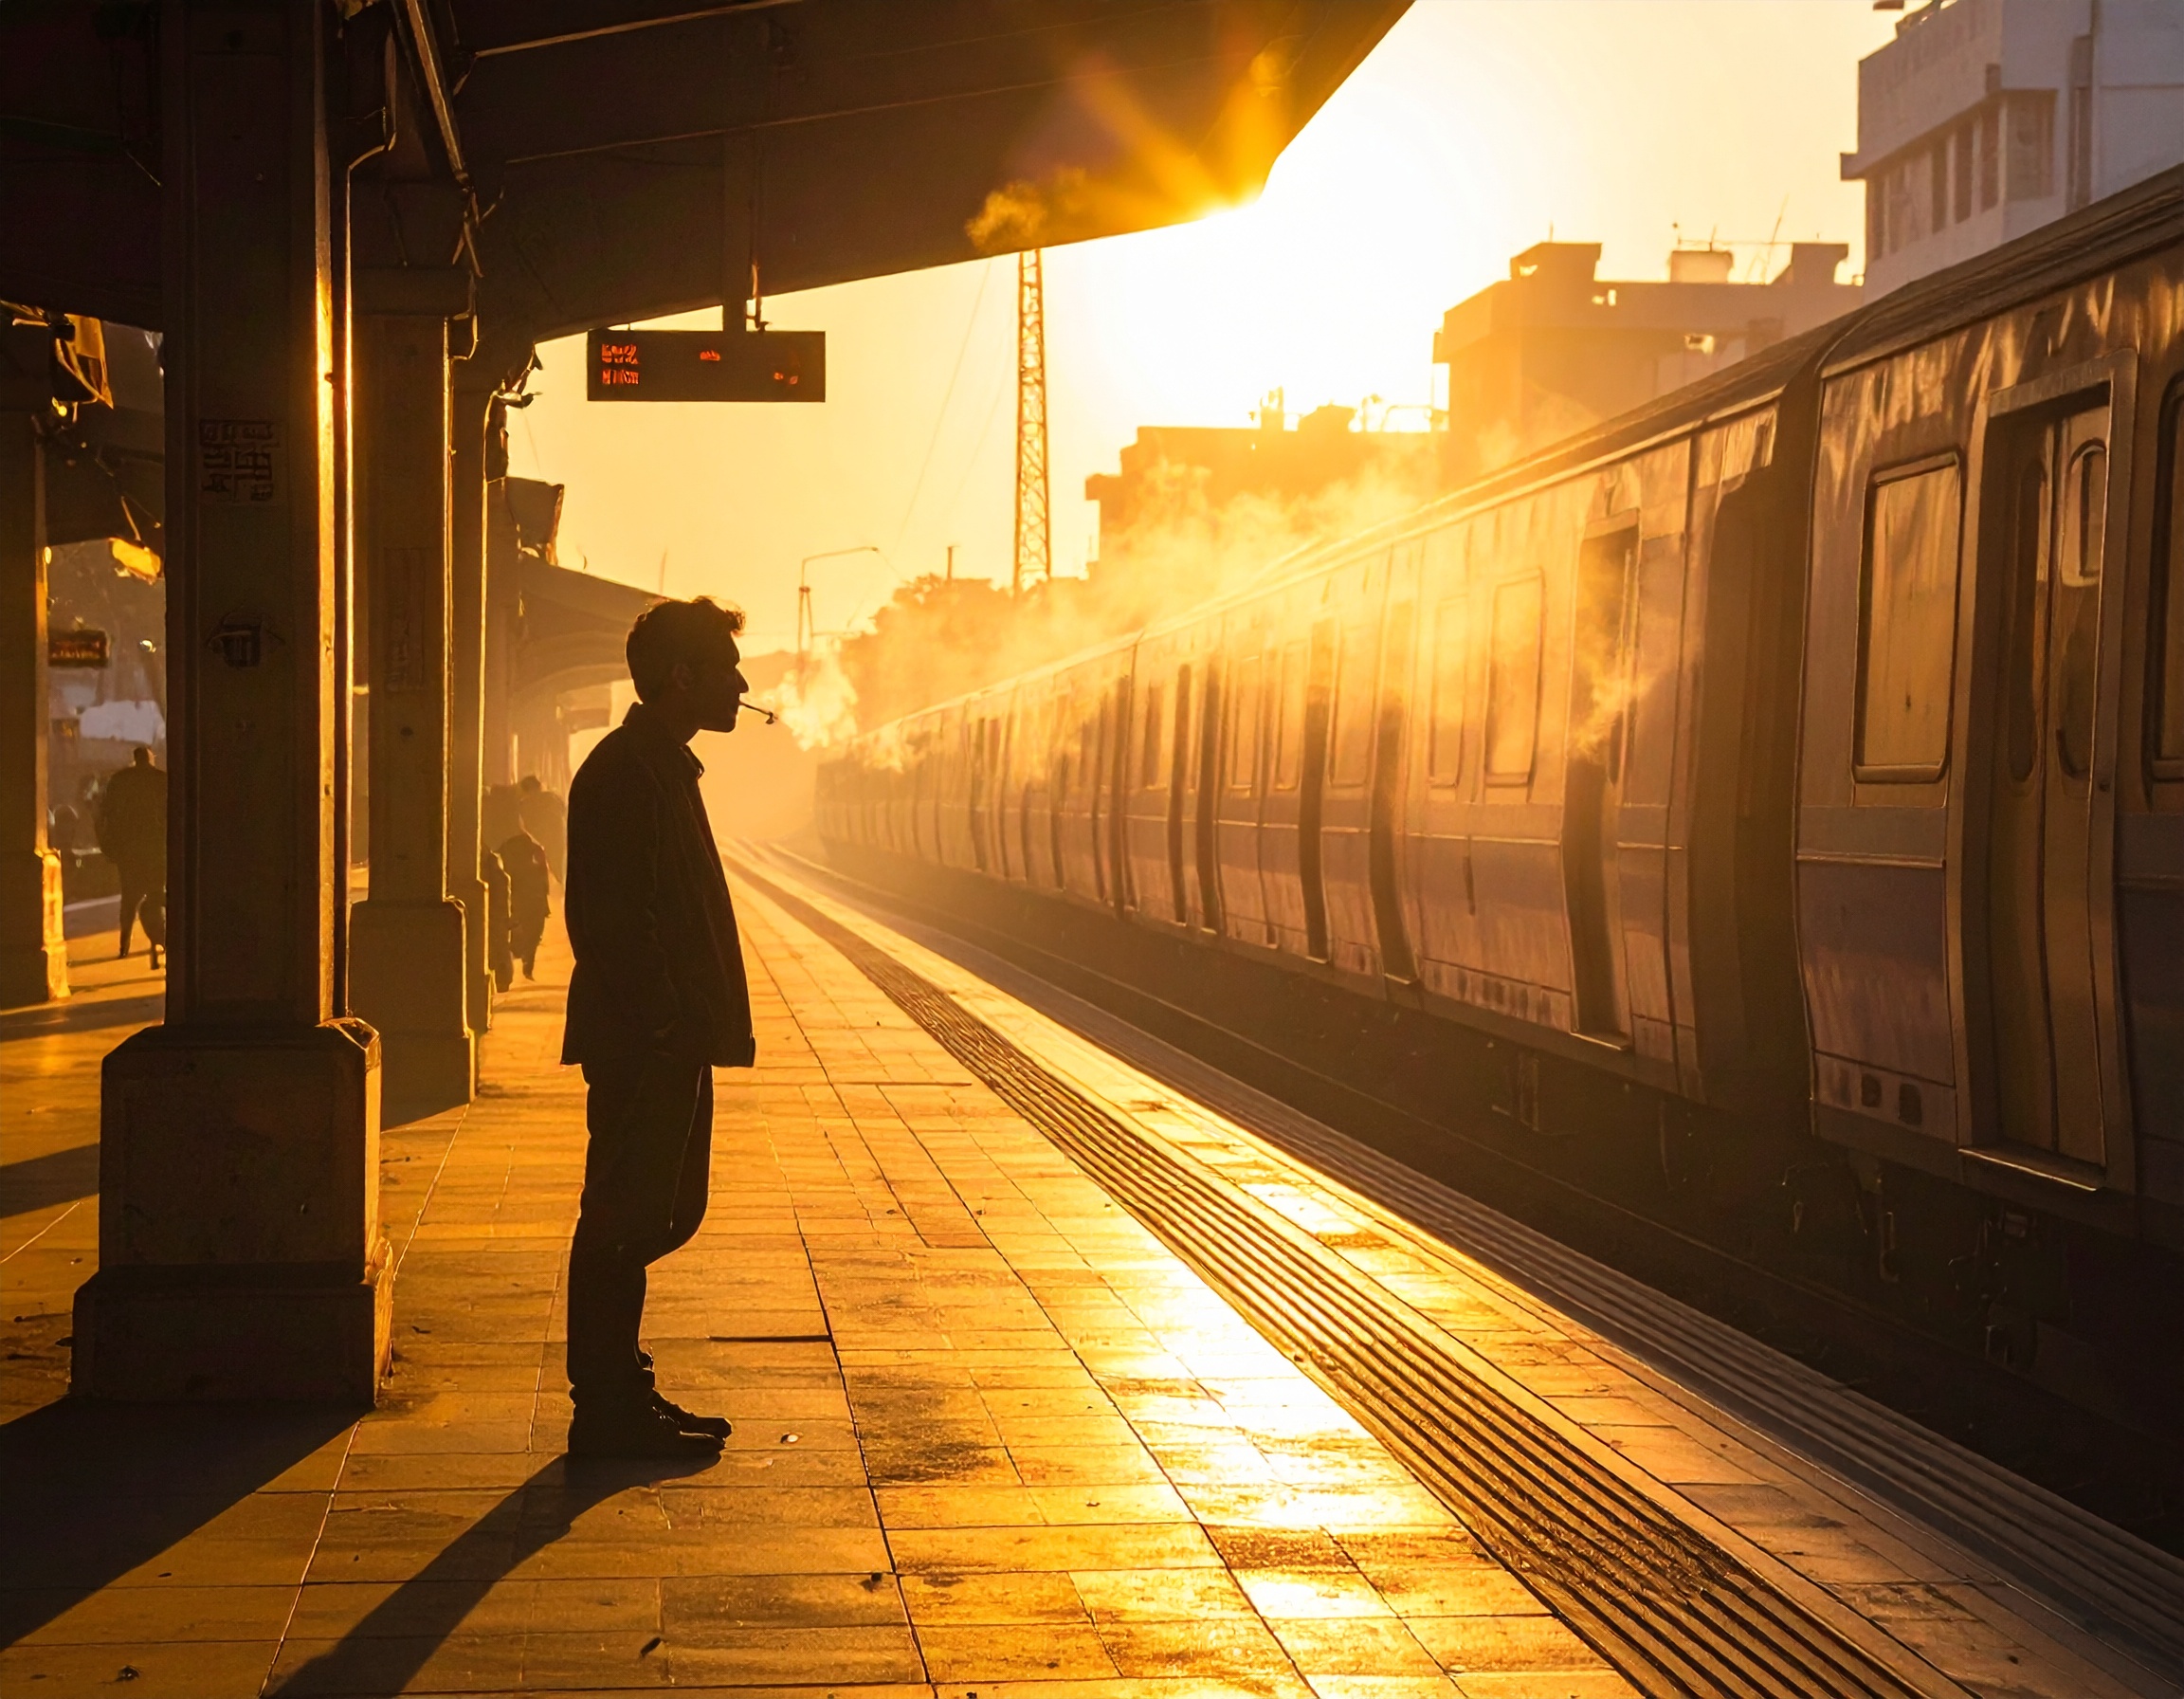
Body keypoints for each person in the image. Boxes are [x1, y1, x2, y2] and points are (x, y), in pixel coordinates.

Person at [560, 596, 755, 1459]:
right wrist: (669, 1022)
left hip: (664, 1038)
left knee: (658, 1213)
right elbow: (615, 922)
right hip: (644, 1043)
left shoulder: (658, 765)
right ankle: (605, 1407)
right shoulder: (627, 774)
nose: (740, 683)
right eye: (724, 665)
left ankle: (620, 1390)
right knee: (624, 1218)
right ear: (683, 677)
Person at [100, 746, 167, 969]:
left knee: (128, 898)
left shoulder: (119, 781)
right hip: (157, 849)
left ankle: (124, 944)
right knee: (156, 895)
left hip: (129, 851)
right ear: (151, 759)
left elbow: (106, 814)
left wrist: (109, 847)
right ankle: (160, 940)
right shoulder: (161, 780)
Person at [500, 823, 551, 979]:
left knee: (521, 927)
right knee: (533, 931)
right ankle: (527, 961)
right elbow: (543, 874)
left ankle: (523, 957)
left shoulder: (506, 849)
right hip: (532, 896)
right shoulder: (536, 849)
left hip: (520, 895)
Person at [518, 775, 567, 883]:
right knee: (557, 866)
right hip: (556, 838)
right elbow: (564, 812)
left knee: (552, 867)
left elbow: (525, 824)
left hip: (543, 840)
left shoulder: (525, 804)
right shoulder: (553, 797)